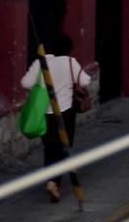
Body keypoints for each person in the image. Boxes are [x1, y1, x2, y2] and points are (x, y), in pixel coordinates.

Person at [20, 35, 89, 203]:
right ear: (68, 48)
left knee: (49, 148)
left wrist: (41, 82)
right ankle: (54, 182)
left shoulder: (41, 63)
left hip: (46, 112)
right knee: (63, 147)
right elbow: (85, 80)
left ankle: (52, 181)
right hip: (65, 112)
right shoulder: (70, 62)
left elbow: (25, 83)